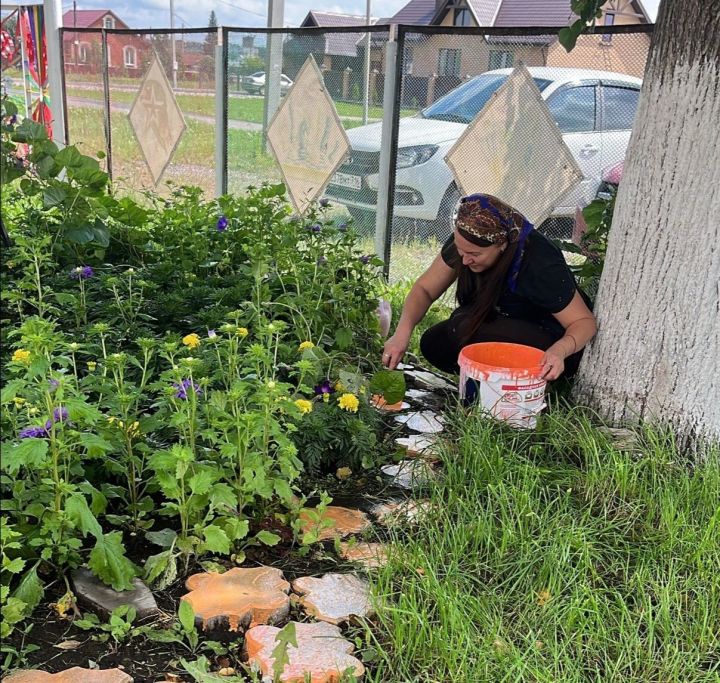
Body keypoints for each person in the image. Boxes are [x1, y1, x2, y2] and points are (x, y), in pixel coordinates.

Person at [382, 193, 597, 381]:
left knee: (464, 327)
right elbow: (425, 289)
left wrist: (559, 351)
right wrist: (402, 333)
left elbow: (584, 323)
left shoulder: (540, 262)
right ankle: (492, 379)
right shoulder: (467, 238)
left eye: (474, 255)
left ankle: (515, 384)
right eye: (460, 250)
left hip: (552, 343)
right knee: (435, 343)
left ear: (502, 245)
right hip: (505, 321)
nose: (464, 261)